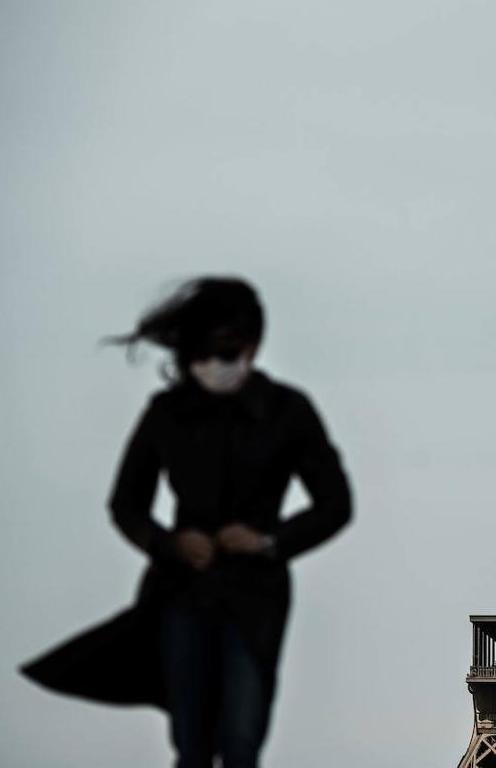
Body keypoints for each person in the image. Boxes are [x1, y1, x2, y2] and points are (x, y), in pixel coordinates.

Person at [21, 276, 352, 768]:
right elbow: (126, 504)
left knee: (241, 741)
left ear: (254, 346)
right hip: (182, 593)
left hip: (255, 599)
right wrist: (170, 544)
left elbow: (336, 504)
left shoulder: (287, 411)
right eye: (202, 353)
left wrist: (267, 541)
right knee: (191, 743)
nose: (214, 364)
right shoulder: (167, 413)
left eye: (226, 351)